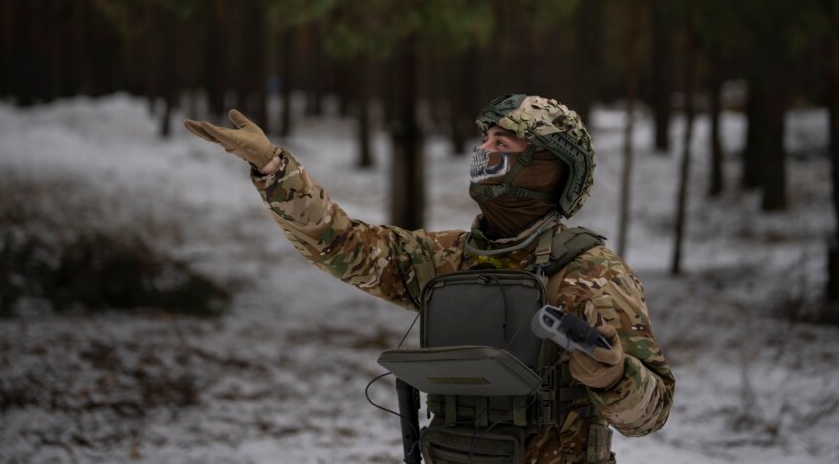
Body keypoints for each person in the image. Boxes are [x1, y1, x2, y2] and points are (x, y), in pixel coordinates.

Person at [185, 94, 674, 463]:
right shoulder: (449, 259)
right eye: (484, 140)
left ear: (546, 168)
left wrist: (614, 377)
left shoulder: (591, 273)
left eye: (501, 143)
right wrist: (273, 168)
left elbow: (650, 414)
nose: (483, 151)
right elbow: (345, 245)